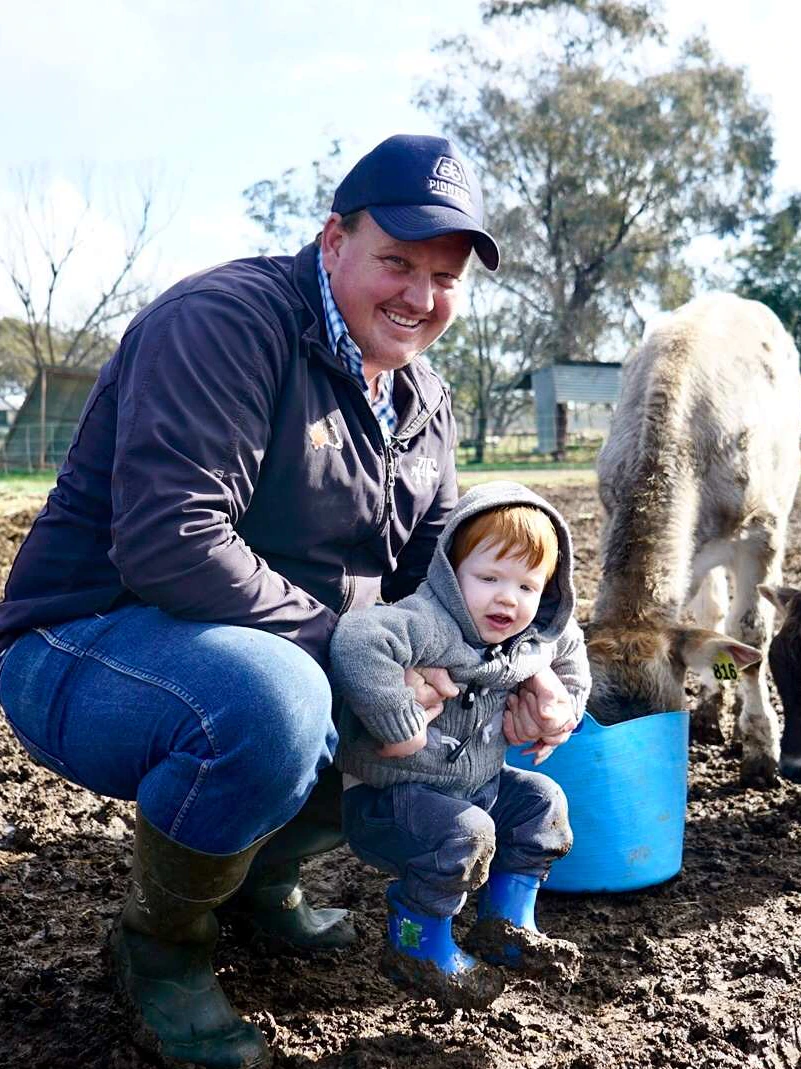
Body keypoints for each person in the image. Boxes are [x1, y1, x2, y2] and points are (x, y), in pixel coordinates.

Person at [0, 135, 578, 1068]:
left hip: (259, 643)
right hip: (88, 641)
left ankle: (261, 882)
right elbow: (170, 539)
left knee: (404, 683)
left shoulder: (422, 395)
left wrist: (531, 663)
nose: (420, 297)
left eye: (444, 277)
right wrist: (353, 647)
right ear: (332, 239)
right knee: (286, 697)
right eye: (396, 261)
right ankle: (160, 947)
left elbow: (448, 569)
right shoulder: (226, 324)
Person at [330, 481, 591, 1009]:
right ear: (451, 572)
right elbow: (359, 639)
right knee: (466, 832)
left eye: (527, 585)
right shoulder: (429, 623)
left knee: (543, 803)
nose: (507, 598)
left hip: (478, 788)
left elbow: (570, 647)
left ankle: (507, 926)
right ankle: (416, 944)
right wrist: (398, 719)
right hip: (389, 802)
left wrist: (563, 710)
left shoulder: (532, 635)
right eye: (489, 577)